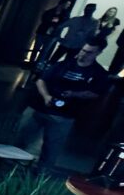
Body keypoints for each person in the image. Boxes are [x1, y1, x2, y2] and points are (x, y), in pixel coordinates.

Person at [16, 38, 112, 173]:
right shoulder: (64, 64)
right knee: (20, 138)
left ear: (98, 53)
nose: (84, 54)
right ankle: (12, 167)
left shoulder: (98, 73)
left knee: (51, 149)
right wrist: (46, 96)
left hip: (63, 115)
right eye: (83, 50)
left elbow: (96, 93)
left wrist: (74, 94)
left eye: (89, 52)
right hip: (39, 108)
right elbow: (41, 80)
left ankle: (40, 175)